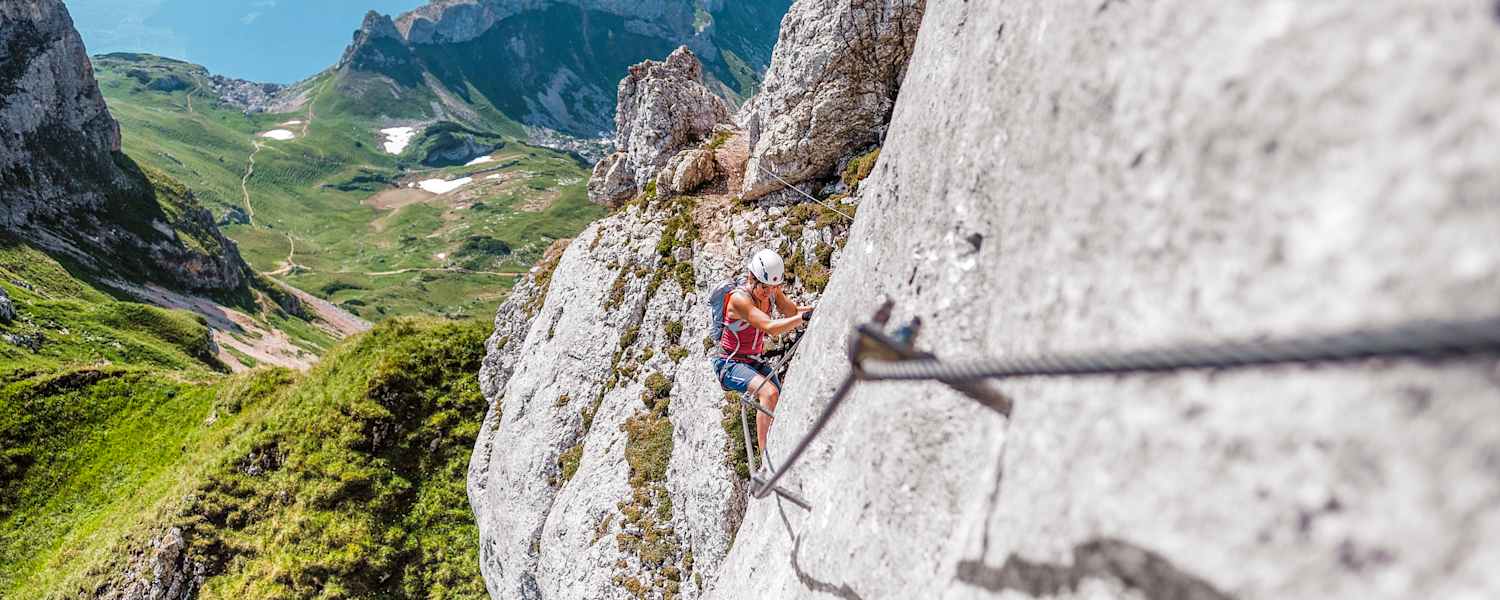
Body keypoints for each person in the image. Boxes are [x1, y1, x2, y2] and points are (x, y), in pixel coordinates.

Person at [712, 249, 813, 469]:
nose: (769, 293)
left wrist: (813, 310)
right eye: (765, 288)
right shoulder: (740, 300)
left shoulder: (771, 291)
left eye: (773, 288)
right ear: (752, 279)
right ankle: (766, 462)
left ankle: (783, 445)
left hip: (753, 360)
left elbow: (791, 311)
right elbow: (770, 327)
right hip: (730, 364)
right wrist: (801, 318)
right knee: (769, 393)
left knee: (781, 399)